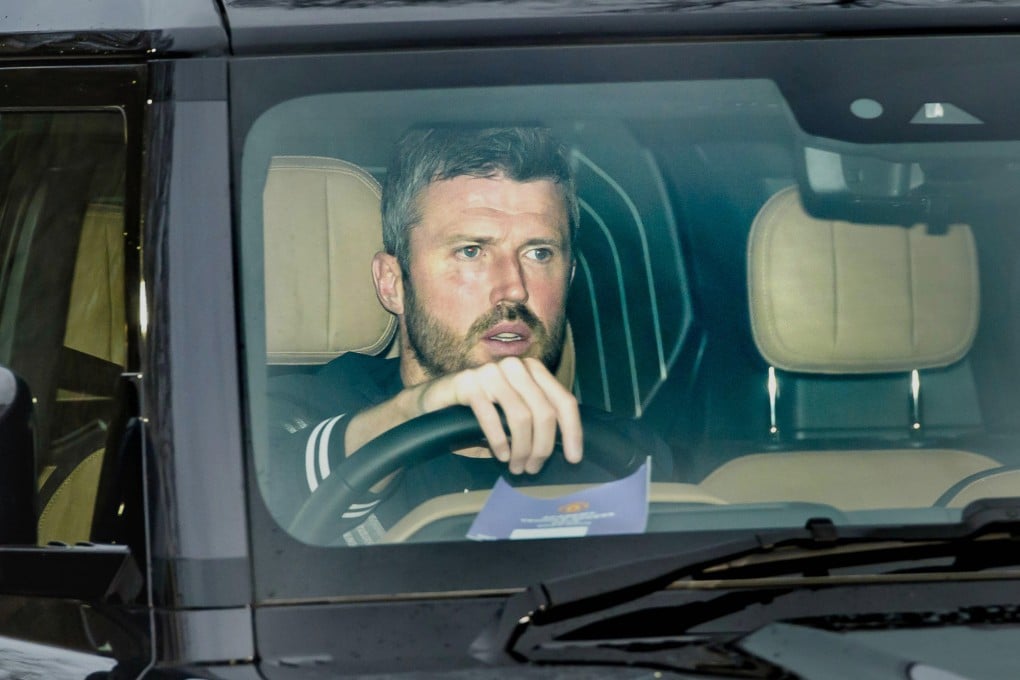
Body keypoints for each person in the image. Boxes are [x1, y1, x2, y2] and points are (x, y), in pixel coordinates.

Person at [267, 127, 670, 544]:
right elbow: (253, 511)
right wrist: (412, 415)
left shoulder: (623, 456)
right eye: (471, 251)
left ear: (568, 278)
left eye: (539, 253)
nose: (513, 287)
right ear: (393, 283)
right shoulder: (303, 411)